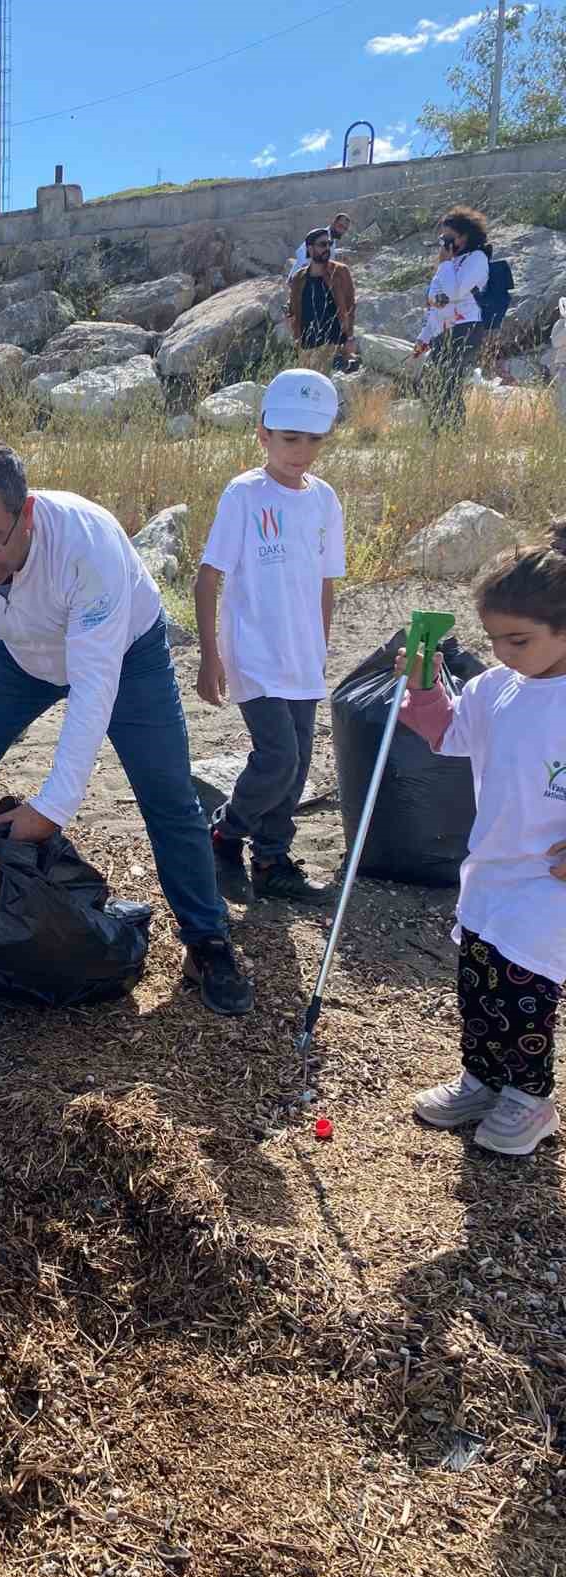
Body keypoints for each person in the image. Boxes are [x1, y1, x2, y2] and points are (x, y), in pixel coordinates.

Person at [0, 440, 254, 1019]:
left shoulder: (85, 545)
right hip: (20, 655)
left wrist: (51, 807)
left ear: (28, 513)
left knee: (168, 795)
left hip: (125, 654)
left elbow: (93, 687)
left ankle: (207, 941)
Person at [396, 525, 566, 1156]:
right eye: (493, 638)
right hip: (491, 868)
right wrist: (420, 685)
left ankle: (530, 1100)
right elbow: (446, 734)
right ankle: (483, 1078)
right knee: (479, 981)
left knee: (525, 993)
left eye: (518, 640)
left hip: (549, 881)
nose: (502, 652)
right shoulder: (494, 688)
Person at [195, 370, 344, 905]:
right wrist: (210, 656)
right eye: (288, 438)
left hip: (303, 657)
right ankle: (225, 833)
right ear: (263, 433)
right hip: (253, 652)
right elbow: (208, 576)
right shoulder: (245, 494)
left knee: (300, 764)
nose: (300, 451)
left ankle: (272, 858)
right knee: (277, 756)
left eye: (312, 440)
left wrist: (320, 649)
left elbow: (327, 583)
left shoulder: (325, 499)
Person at [411, 207, 490, 431]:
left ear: (464, 237)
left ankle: (451, 432)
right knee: (432, 380)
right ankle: (439, 431)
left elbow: (453, 294)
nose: (444, 243)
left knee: (447, 381)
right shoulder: (448, 264)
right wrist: (423, 337)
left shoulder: (477, 258)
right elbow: (434, 302)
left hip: (465, 328)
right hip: (441, 331)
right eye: (442, 238)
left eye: (449, 238)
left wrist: (445, 266)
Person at [287, 229, 358, 371]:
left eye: (329, 244)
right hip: (307, 347)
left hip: (335, 344)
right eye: (322, 244)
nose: (327, 248)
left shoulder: (340, 272)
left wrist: (349, 338)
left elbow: (350, 307)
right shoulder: (298, 278)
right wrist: (296, 338)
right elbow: (293, 310)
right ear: (309, 248)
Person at [476, 242, 515, 383]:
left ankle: (501, 379)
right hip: (496, 319)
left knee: (488, 352)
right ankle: (503, 377)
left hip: (483, 321)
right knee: (494, 350)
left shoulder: (485, 272)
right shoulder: (498, 270)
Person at [288, 212, 351, 279]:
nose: (342, 231)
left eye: (345, 229)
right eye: (340, 226)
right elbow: (301, 252)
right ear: (333, 223)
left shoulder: (332, 242)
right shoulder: (318, 234)